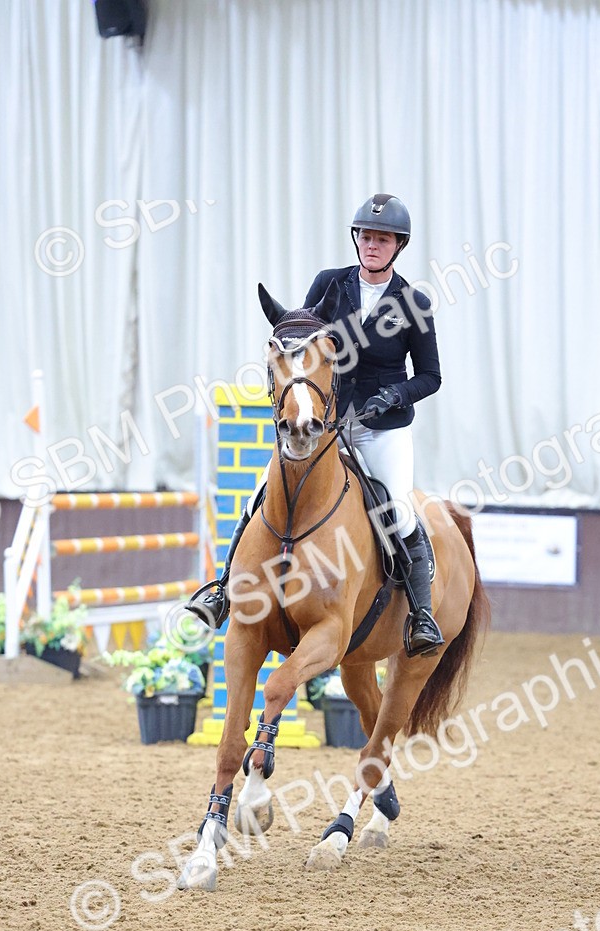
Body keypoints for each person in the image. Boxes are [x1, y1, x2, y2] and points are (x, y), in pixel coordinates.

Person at [189, 192, 445, 657]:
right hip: (325, 422)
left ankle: (421, 617)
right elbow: (300, 338)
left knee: (400, 510)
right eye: (366, 236)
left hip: (382, 426)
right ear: (357, 239)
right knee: (258, 495)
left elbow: (431, 376)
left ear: (398, 246)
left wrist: (395, 394)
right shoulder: (330, 286)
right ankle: (223, 590)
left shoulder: (414, 303)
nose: (372, 245)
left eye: (382, 239)